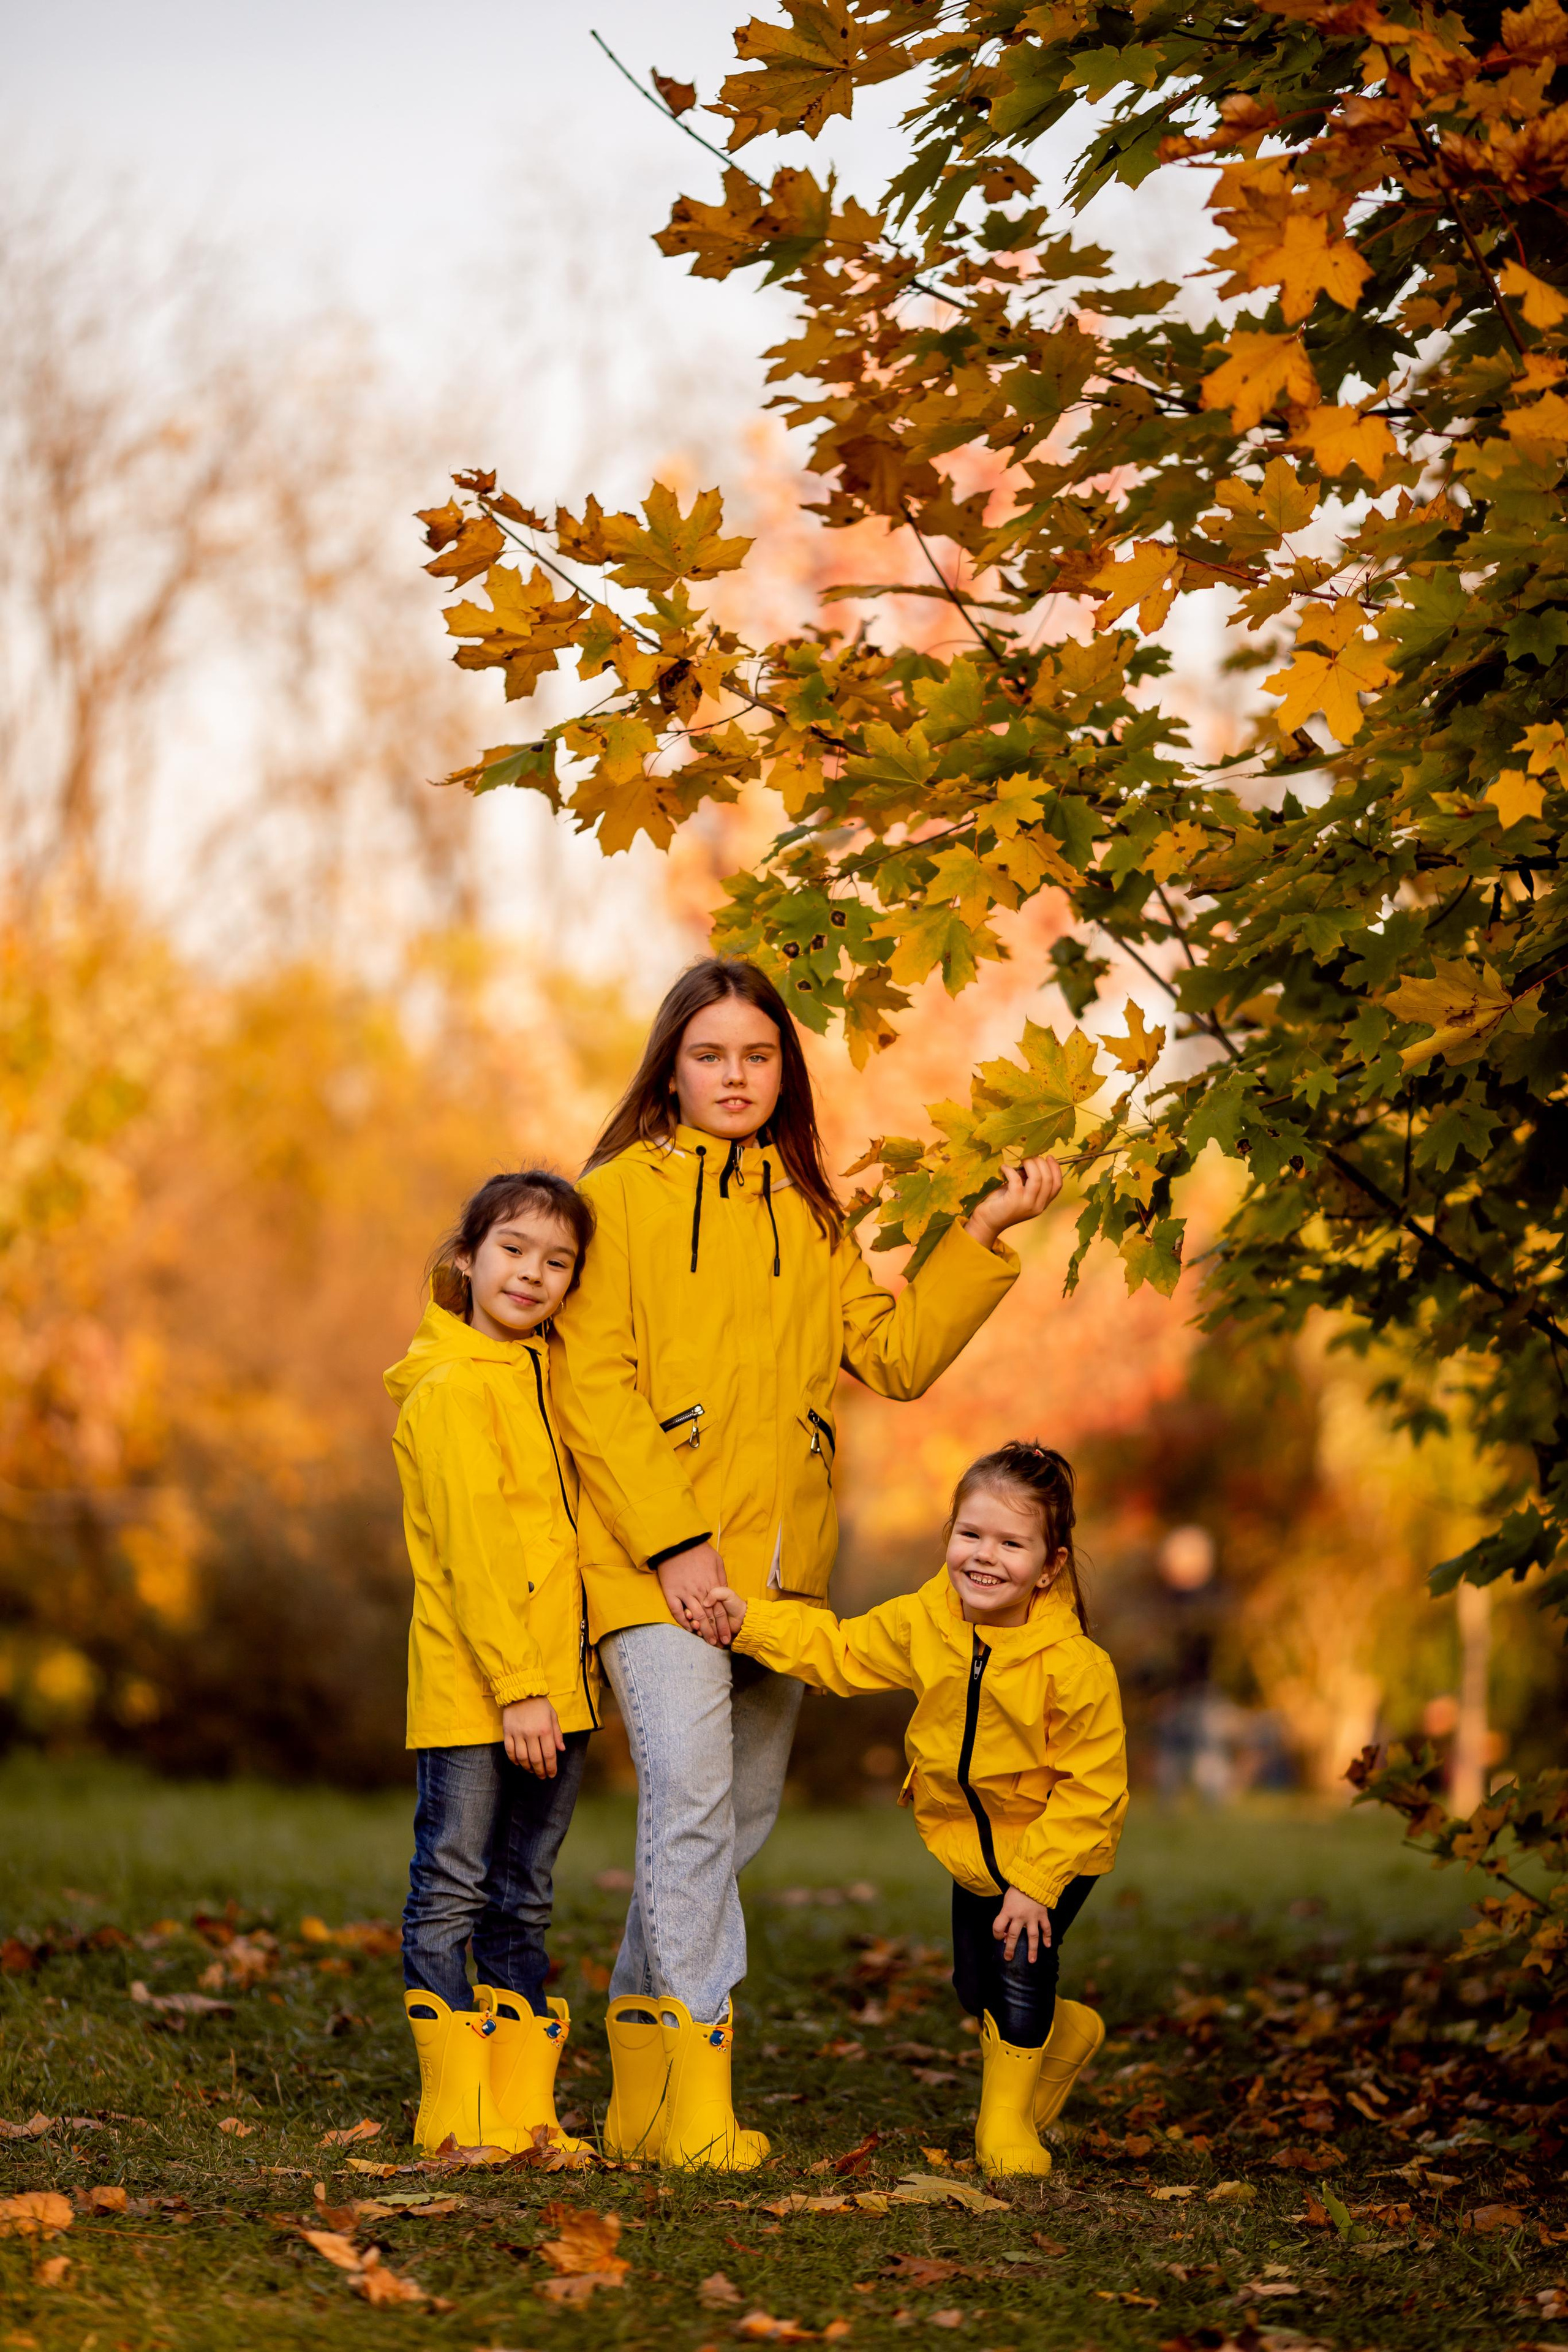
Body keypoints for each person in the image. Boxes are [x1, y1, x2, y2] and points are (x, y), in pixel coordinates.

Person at [551, 956, 1061, 2169]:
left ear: (783, 1071)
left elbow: (889, 1358)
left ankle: (636, 2090)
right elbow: (594, 1391)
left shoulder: (806, 1212)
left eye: (758, 1055)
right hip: (652, 1562)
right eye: (711, 1054)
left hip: (778, 1582)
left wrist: (978, 1235)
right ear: (669, 1070)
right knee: (686, 1810)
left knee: (733, 1819)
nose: (735, 1076)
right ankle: (697, 2103)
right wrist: (674, 1547)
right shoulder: (612, 1198)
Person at [703, 1441, 1126, 2179]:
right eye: (971, 1535)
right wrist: (751, 1625)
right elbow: (838, 1651)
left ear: (1050, 1566)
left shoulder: (1074, 1666)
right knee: (976, 1988)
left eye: (1011, 1543)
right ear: (949, 1538)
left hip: (1054, 1847)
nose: (985, 1557)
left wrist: (1036, 1882)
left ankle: (1004, 2126)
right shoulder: (923, 1624)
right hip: (970, 1849)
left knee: (1019, 1962)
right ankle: (1064, 2035)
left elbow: (1094, 1787)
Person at [385, 1169, 599, 2160]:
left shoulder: (550, 1380)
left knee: (526, 1891)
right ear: (466, 1258)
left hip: (560, 1690)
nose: (534, 1273)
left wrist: (562, 1687)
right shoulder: (448, 1389)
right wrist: (520, 1689)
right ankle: (451, 2108)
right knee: (455, 1884)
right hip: (484, 1694)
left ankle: (521, 2106)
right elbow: (475, 1557)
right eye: (514, 1249)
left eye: (558, 1262)